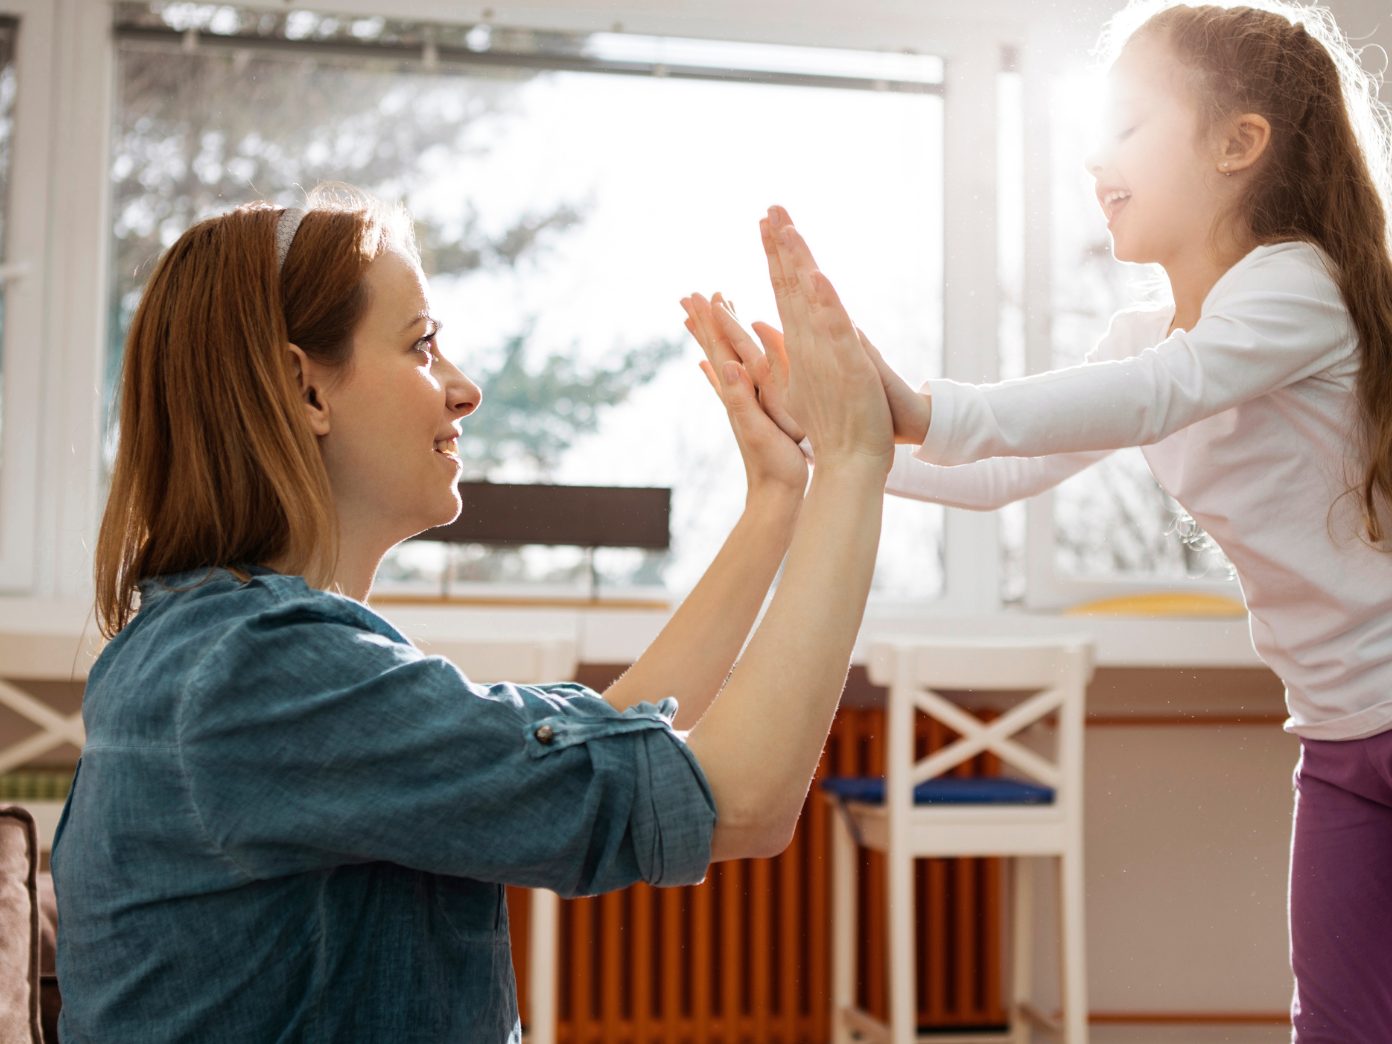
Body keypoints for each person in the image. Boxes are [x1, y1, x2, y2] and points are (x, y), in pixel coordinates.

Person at [685, 3, 1392, 1039]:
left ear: (1241, 145)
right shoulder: (1146, 333)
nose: (1095, 156)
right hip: (1337, 739)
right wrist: (830, 442)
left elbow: (1157, 395)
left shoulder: (1296, 290)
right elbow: (993, 477)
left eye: (1132, 126)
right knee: (1335, 1026)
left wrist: (915, 408)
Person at [51, 184, 893, 1042]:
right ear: (303, 391)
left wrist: (780, 497)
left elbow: (601, 737)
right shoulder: (260, 672)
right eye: (422, 346)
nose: (465, 390)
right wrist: (856, 457)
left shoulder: (206, 647)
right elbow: (739, 803)